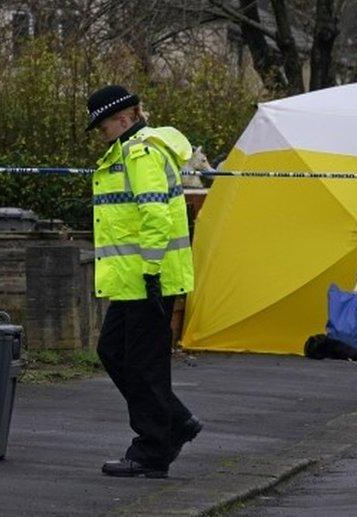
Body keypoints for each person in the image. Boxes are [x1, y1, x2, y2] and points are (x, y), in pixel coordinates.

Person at [86, 84, 201, 478]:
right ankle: (175, 422)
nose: (102, 135)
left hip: (150, 279)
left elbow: (156, 218)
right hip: (137, 281)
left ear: (123, 119)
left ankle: (152, 449)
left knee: (142, 364)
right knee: (115, 353)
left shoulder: (142, 154)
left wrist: (151, 272)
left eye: (102, 127)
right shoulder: (133, 152)